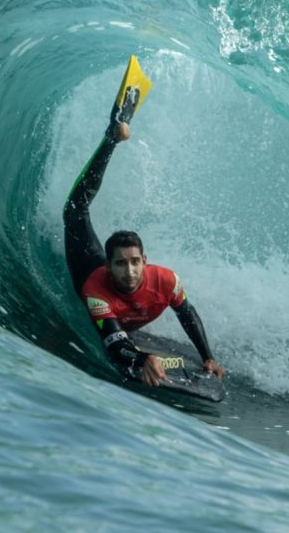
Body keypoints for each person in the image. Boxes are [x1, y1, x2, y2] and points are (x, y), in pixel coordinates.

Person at [63, 106, 225, 387]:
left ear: (144, 261)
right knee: (75, 210)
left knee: (143, 352)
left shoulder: (166, 281)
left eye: (135, 262)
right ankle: (111, 138)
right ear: (109, 267)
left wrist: (208, 356)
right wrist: (140, 359)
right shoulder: (97, 294)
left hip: (128, 325)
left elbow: (187, 314)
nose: (130, 271)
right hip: (86, 265)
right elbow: (112, 344)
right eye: (121, 263)